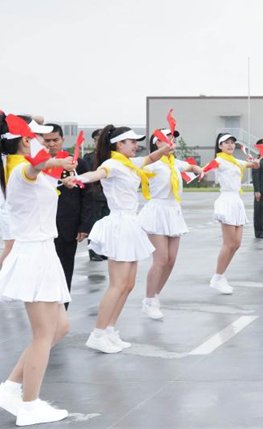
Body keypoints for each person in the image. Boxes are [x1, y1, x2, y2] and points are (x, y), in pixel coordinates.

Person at [0, 113, 74, 425]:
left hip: (40, 252)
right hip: (34, 254)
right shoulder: (23, 167)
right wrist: (56, 164)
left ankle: (11, 388)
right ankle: (30, 405)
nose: (41, 141)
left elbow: (38, 171)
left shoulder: (17, 167)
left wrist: (57, 171)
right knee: (43, 334)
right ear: (25, 140)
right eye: (36, 136)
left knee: (59, 328)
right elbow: (36, 167)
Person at [74, 125, 172, 353]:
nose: (135, 145)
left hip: (131, 224)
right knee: (117, 284)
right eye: (131, 141)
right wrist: (78, 179)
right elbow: (96, 174)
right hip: (119, 224)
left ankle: (109, 330)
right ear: (118, 144)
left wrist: (165, 148)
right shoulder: (112, 164)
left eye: (136, 141)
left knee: (128, 285)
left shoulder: (132, 164)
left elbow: (150, 157)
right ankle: (97, 334)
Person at [138, 129, 204, 320]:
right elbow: (134, 170)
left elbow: (191, 168)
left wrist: (198, 169)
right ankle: (149, 300)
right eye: (166, 139)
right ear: (156, 144)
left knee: (171, 260)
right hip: (157, 212)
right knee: (160, 259)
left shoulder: (175, 163)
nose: (171, 141)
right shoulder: (153, 164)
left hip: (173, 212)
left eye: (173, 139)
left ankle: (155, 297)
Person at [42, 124, 94, 306]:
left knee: (65, 269)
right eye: (47, 140)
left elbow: (88, 196)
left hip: (67, 226)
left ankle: (61, 309)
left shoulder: (76, 163)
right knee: (42, 271)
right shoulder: (35, 165)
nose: (51, 144)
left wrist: (85, 225)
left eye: (55, 140)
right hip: (41, 226)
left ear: (63, 140)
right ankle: (44, 310)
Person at [209, 133, 261, 293]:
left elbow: (255, 166)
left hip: (237, 201)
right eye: (226, 143)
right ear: (220, 146)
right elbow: (205, 169)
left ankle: (220, 276)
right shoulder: (218, 160)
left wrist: (255, 161)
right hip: (226, 200)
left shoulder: (235, 161)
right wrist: (199, 170)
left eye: (232, 142)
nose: (230, 145)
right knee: (228, 243)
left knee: (236, 244)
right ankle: (217, 277)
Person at [83, 129, 110, 262]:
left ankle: (102, 250)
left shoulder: (109, 158)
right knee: (94, 224)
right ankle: (93, 251)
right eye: (96, 140)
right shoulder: (88, 157)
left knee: (106, 224)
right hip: (94, 196)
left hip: (107, 196)